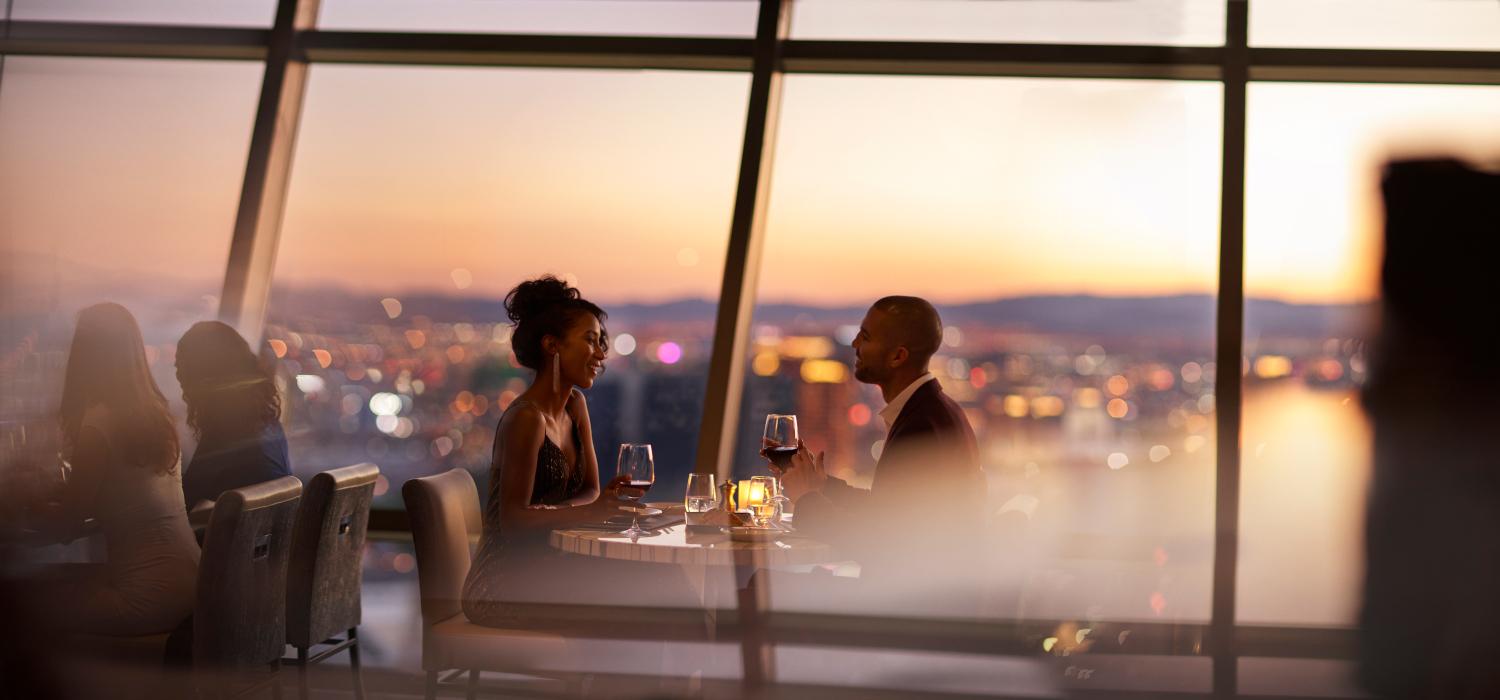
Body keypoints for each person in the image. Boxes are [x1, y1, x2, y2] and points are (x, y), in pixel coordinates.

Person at [463, 276, 678, 628]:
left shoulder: (575, 405)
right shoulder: (525, 419)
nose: (601, 354)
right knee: (650, 594)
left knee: (665, 583)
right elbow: (514, 523)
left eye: (601, 342)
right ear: (552, 345)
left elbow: (590, 491)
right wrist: (590, 512)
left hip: (550, 567)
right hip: (503, 585)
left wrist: (597, 506)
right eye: (590, 341)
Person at [778, 296, 985, 589]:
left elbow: (878, 542)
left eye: (865, 336)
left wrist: (807, 501)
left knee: (758, 589)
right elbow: (889, 511)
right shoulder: (934, 410)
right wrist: (823, 486)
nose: (854, 345)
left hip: (905, 605)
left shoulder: (921, 427)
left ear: (897, 356)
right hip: (922, 594)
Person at [27, 303, 199, 636]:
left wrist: (24, 500)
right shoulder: (157, 414)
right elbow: (120, 491)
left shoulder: (98, 424)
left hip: (148, 599)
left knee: (20, 603)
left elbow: (67, 522)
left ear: (85, 356)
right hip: (194, 585)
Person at [175, 320, 291, 511]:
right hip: (261, 537)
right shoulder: (268, 426)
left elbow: (183, 503)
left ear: (206, 372)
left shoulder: (228, 431)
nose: (178, 375)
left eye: (183, 366)